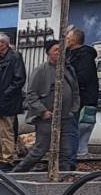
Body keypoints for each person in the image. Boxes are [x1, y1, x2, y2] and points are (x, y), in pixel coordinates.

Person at [14, 40, 81, 173]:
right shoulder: (40, 70)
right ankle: (17, 172)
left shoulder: (68, 69)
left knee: (67, 151)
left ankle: (64, 175)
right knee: (40, 150)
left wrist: (73, 109)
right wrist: (42, 111)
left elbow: (75, 91)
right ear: (48, 52)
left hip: (66, 117)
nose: (59, 52)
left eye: (61, 50)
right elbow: (31, 95)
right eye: (56, 49)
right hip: (46, 118)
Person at [0, 34, 26, 166]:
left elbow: (19, 79)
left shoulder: (14, 58)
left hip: (8, 102)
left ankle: (8, 159)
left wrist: (4, 94)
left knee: (6, 133)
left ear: (4, 44)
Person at [64, 27, 100, 157]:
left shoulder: (83, 57)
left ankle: (75, 158)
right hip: (81, 100)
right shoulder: (72, 54)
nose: (65, 41)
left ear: (74, 40)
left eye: (67, 38)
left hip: (82, 101)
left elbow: (82, 78)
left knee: (78, 131)